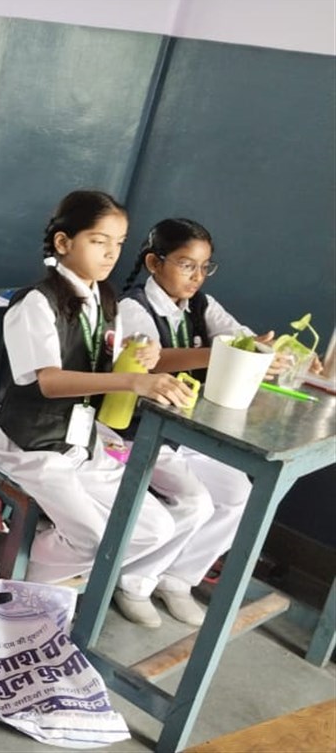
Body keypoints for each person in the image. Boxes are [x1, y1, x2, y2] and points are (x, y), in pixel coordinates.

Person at [0, 190, 213, 628]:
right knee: (93, 538)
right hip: (31, 443)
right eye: (98, 241)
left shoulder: (105, 301)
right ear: (64, 242)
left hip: (83, 441)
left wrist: (138, 356)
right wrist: (132, 380)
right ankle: (8, 577)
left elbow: (105, 360)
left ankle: (17, 569)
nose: (110, 253)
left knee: (155, 529)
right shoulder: (36, 302)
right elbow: (48, 381)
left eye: (119, 243)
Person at [114, 217, 310, 624]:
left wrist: (264, 351)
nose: (197, 276)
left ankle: (177, 578)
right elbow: (153, 360)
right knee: (196, 502)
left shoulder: (201, 305)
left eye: (205, 267)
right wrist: (223, 351)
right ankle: (133, 582)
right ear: (154, 263)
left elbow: (239, 336)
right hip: (140, 432)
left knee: (239, 496)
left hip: (185, 434)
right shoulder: (134, 307)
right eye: (187, 265)